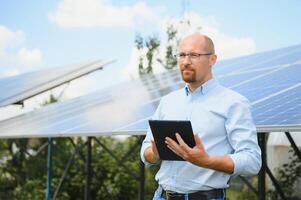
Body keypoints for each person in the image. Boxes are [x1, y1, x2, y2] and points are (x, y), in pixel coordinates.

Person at [140, 33, 262, 200]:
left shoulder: (234, 103)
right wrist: (154, 154)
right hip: (161, 196)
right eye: (182, 55)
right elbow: (146, 149)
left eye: (194, 55)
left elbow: (252, 161)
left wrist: (207, 161)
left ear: (212, 59)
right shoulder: (167, 101)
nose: (186, 61)